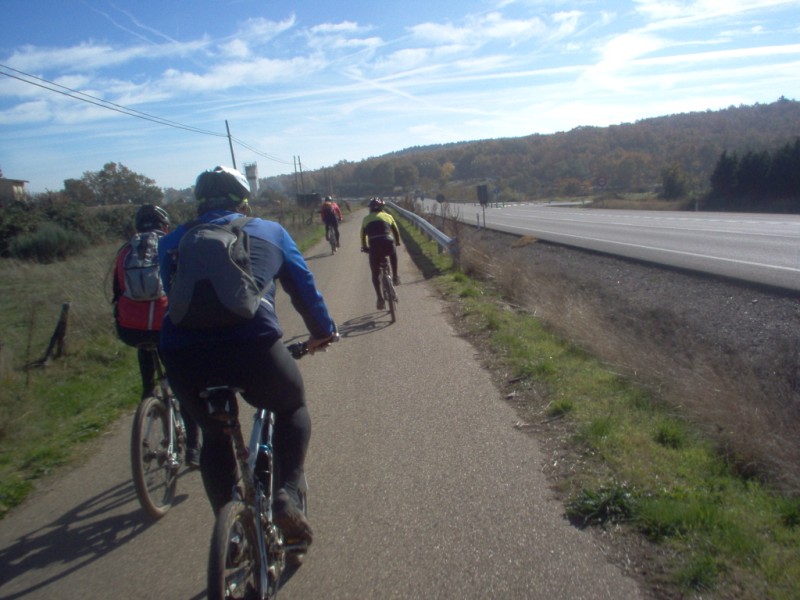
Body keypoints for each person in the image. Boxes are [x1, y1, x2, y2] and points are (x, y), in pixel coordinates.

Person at [158, 166, 336, 547]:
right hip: (252, 347)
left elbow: (172, 297)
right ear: (243, 201)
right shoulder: (271, 232)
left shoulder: (171, 241)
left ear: (199, 202)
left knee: (214, 434)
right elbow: (304, 289)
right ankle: (286, 495)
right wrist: (323, 330)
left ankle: (235, 537)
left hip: (183, 355)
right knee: (291, 407)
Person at [112, 204, 201, 467]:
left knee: (145, 347)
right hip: (168, 325)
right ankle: (193, 449)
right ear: (165, 226)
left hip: (131, 329)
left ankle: (147, 395)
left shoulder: (125, 252)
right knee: (186, 387)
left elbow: (116, 293)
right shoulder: (172, 247)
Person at [360, 197, 401, 310]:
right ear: (382, 208)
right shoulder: (388, 216)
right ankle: (395, 276)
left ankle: (379, 299)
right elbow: (396, 231)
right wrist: (397, 242)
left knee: (375, 273)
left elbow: (362, 236)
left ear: (370, 209)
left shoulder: (366, 219)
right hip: (388, 243)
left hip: (374, 246)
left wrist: (364, 247)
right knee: (393, 253)